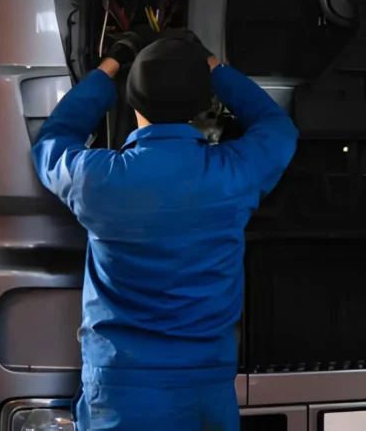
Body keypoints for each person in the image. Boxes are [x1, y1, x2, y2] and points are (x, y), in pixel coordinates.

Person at [31, 30, 298, 431]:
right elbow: (277, 128)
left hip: (121, 391)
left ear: (131, 99)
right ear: (201, 105)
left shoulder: (97, 179)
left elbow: (52, 138)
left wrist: (110, 66)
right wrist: (210, 64)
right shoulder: (232, 174)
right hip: (206, 390)